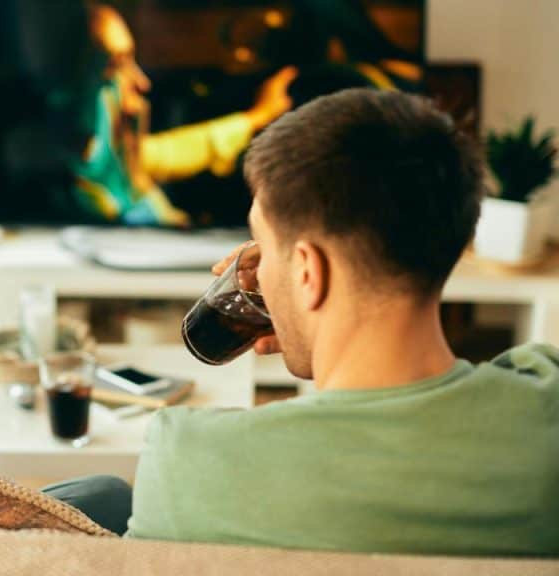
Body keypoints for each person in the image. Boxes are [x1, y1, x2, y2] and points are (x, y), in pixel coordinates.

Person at [126, 89, 559, 555]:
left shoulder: (188, 458)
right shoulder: (546, 407)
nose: (258, 268)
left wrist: (298, 305)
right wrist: (305, 310)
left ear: (308, 272)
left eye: (263, 245)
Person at [72, 3, 296, 226]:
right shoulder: (91, 197)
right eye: (115, 65)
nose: (141, 82)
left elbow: (158, 155)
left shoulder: (112, 162)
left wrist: (255, 118)